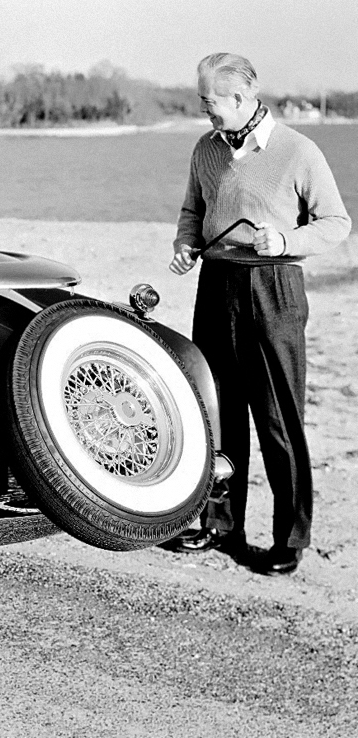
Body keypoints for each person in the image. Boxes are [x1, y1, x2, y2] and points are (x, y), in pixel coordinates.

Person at [164, 53, 351, 575]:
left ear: (243, 99)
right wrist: (184, 244)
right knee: (219, 414)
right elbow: (192, 213)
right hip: (216, 287)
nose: (205, 111)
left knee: (278, 420)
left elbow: (337, 223)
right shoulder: (205, 149)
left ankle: (290, 539)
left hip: (275, 288)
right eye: (203, 101)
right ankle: (220, 526)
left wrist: (285, 239)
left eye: (212, 102)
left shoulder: (298, 150)